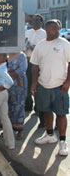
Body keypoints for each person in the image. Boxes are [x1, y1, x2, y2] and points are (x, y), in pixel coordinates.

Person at [31, 19, 70, 156]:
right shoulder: (40, 46)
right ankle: (49, 135)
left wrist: (67, 82)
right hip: (43, 85)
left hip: (60, 86)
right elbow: (35, 66)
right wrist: (34, 82)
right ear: (47, 29)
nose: (57, 30)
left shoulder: (64, 44)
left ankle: (63, 142)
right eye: (54, 28)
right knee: (46, 111)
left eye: (58, 28)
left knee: (61, 113)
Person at [25, 14, 46, 114]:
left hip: (39, 62)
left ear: (41, 22)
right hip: (28, 60)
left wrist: (36, 48)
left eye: (37, 21)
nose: (34, 23)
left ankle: (38, 107)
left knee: (37, 84)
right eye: (33, 21)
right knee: (28, 83)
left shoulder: (45, 34)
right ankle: (28, 105)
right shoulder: (27, 32)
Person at [7, 52, 28, 140]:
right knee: (8, 106)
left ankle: (20, 130)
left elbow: (22, 69)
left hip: (19, 85)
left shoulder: (22, 56)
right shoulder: (5, 54)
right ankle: (8, 130)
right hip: (7, 84)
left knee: (18, 106)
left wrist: (8, 75)